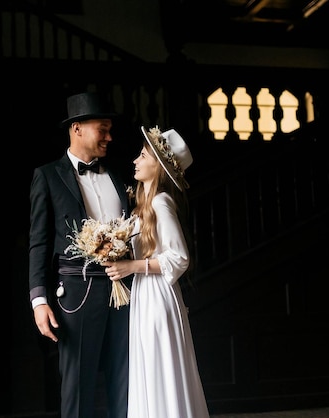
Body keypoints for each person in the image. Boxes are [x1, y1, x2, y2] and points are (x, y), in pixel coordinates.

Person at [28, 92, 131, 418]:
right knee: (78, 384)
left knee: (126, 379)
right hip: (76, 294)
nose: (109, 137)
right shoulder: (47, 176)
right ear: (77, 129)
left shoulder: (117, 175)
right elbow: (39, 243)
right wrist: (39, 300)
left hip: (126, 292)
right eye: (103, 129)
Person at [103, 126, 211, 418]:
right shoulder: (141, 206)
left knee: (160, 366)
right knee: (148, 369)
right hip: (144, 294)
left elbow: (179, 258)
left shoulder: (161, 202)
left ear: (159, 167)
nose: (135, 161)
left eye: (142, 155)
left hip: (158, 296)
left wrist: (131, 266)